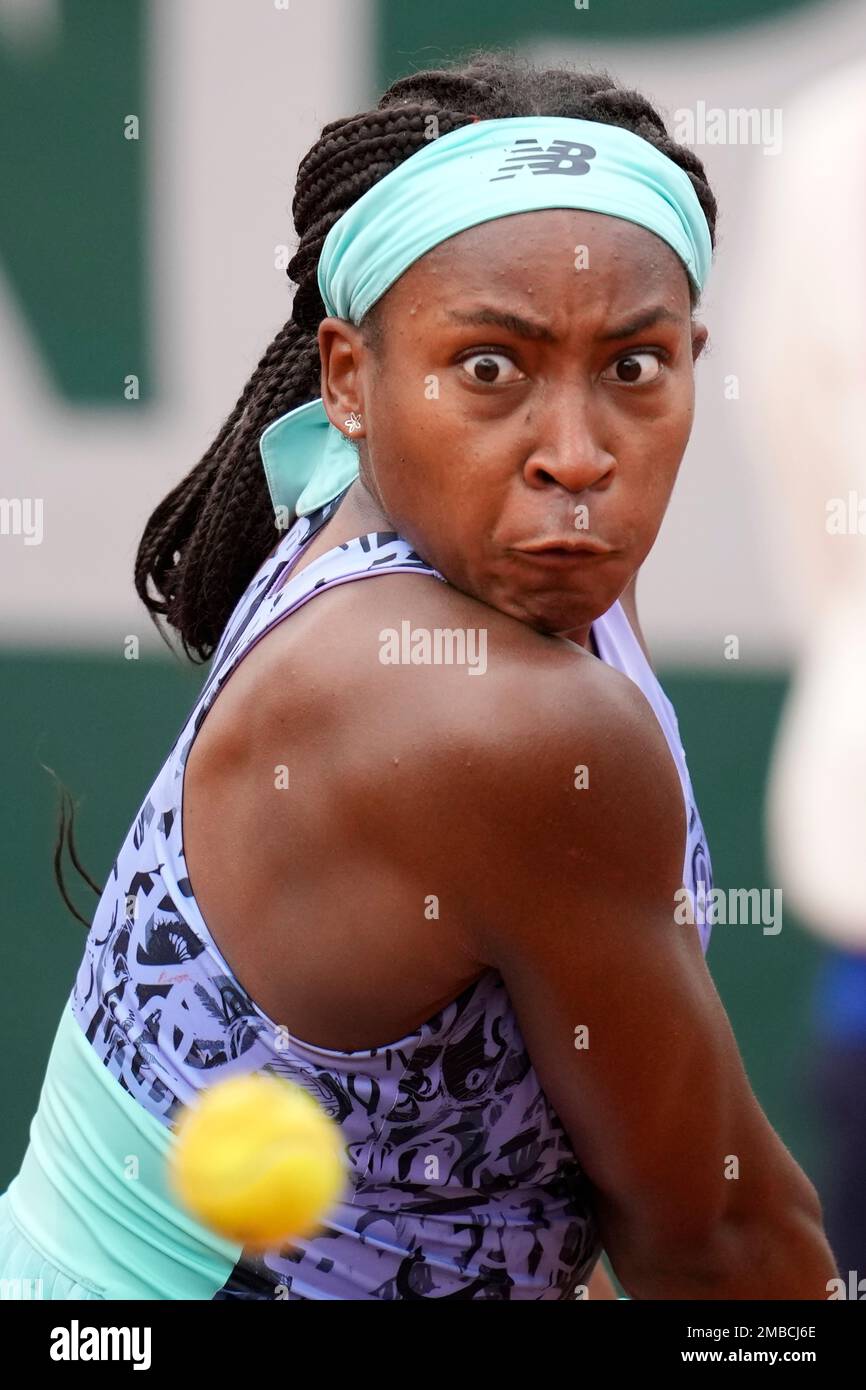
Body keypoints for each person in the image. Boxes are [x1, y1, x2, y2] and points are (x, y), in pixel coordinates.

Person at [0, 51, 837, 1300]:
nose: (575, 451)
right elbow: (717, 1249)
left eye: (632, 367)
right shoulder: (488, 718)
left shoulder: (497, 545)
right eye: (491, 367)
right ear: (348, 377)